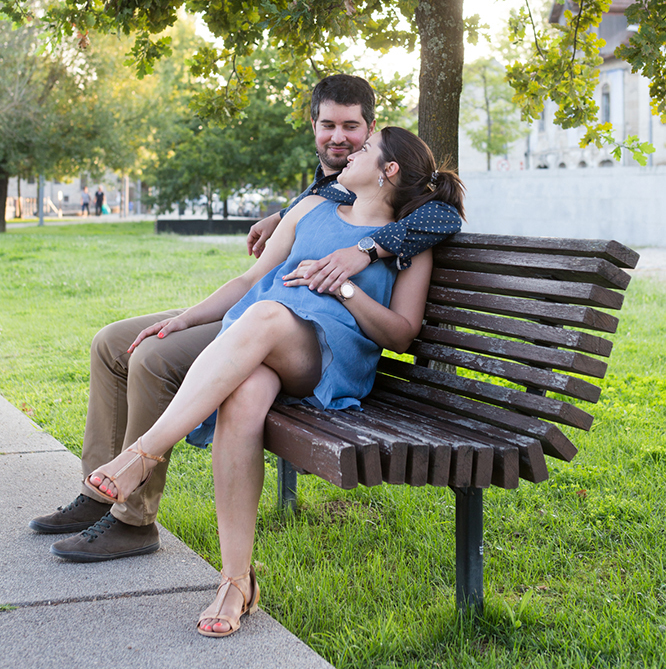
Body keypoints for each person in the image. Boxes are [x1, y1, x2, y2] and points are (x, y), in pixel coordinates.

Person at [30, 75, 462, 561]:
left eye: (352, 128)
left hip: (295, 329)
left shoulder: (398, 214)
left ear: (373, 134)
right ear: (313, 126)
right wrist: (190, 314)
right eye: (328, 124)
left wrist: (364, 252)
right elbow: (255, 274)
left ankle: (132, 515)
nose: (340, 138)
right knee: (112, 342)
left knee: (153, 358)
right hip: (260, 305)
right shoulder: (323, 192)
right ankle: (97, 494)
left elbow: (443, 218)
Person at [83, 126, 465, 637]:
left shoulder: (411, 239)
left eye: (366, 147)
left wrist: (346, 287)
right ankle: (235, 583)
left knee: (263, 316)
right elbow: (248, 280)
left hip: (326, 354)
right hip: (257, 339)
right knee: (243, 397)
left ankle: (143, 453)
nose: (351, 149)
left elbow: (401, 333)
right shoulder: (314, 208)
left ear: (388, 170)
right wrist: (187, 318)